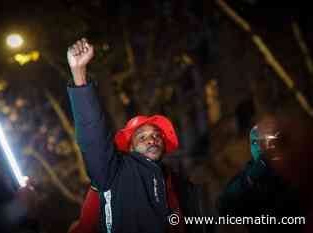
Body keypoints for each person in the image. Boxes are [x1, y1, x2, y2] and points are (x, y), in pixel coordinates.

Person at [66, 38, 214, 233]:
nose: (152, 139)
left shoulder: (177, 183)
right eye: (142, 137)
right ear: (130, 147)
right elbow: (93, 137)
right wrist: (79, 74)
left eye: (157, 135)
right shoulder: (113, 171)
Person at [217, 115, 311, 233]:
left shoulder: (296, 167)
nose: (259, 147)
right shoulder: (251, 174)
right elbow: (225, 205)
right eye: (255, 142)